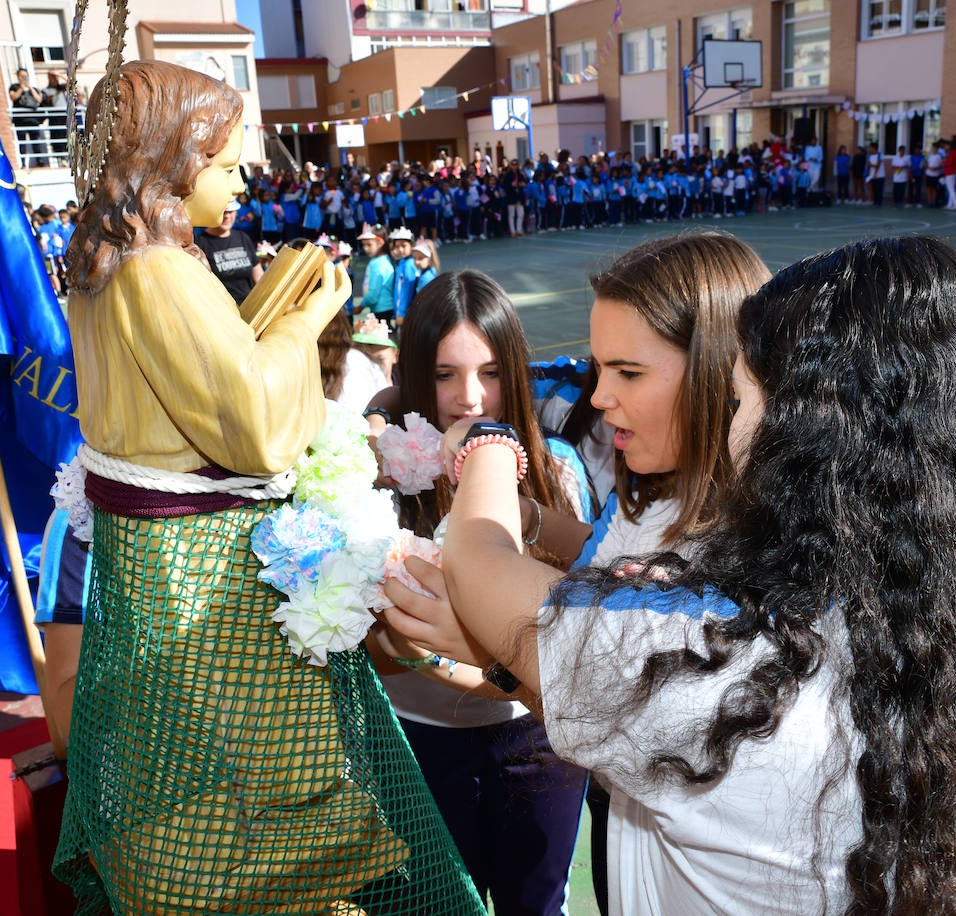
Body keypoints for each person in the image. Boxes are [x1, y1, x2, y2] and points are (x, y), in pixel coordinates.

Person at [394, 235, 956, 913]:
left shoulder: (732, 673)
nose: (732, 425)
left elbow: (484, 572)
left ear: (813, 434)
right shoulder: (929, 628)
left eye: (740, 398)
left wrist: (486, 445)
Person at [54, 60, 480, 914]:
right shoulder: (155, 272)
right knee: (262, 801)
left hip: (162, 561)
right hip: (202, 577)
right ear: (172, 160)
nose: (242, 179)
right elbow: (251, 425)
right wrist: (306, 317)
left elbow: (194, 396)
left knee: (205, 780)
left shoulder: (113, 271)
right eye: (223, 162)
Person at [384, 232, 771, 913]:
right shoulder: (646, 497)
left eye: (628, 373)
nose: (597, 398)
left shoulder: (745, 560)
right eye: (600, 371)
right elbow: (596, 563)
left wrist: (488, 451)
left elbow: (500, 581)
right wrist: (534, 525)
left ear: (718, 372)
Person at [364, 270, 593, 916]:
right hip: (417, 744)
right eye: (443, 375)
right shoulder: (373, 478)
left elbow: (584, 621)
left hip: (539, 744)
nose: (470, 398)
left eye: (490, 372)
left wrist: (449, 652)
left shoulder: (555, 469)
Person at [196, 199, 261, 304]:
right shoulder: (199, 244)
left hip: (250, 306)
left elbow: (258, 277)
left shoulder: (243, 237)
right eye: (222, 212)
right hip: (223, 310)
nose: (227, 216)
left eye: (230, 212)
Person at [357, 224, 396, 325]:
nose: (365, 248)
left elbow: (374, 293)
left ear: (379, 243)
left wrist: (361, 306)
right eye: (363, 245)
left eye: (369, 245)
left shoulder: (379, 265)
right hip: (382, 307)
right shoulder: (379, 260)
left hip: (381, 309)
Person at [8, 67, 45, 167]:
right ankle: (23, 163)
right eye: (21, 76)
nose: (24, 78)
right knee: (22, 143)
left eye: (25, 76)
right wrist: (21, 87)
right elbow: (13, 97)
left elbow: (39, 99)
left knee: (35, 141)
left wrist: (29, 88)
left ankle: (39, 161)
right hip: (20, 119)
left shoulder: (33, 89)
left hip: (33, 119)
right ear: (18, 77)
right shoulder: (14, 87)